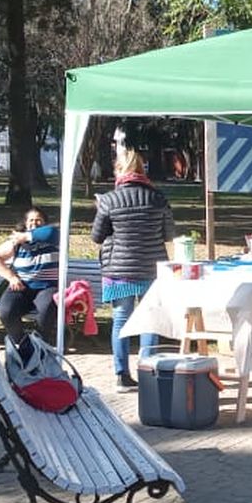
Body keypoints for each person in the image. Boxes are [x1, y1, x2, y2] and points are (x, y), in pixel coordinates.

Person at [91, 149, 173, 389]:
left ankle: (121, 375)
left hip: (119, 269)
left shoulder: (108, 200)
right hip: (151, 267)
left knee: (121, 319)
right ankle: (149, 373)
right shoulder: (158, 198)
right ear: (142, 170)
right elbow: (170, 234)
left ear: (119, 170)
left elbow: (97, 237)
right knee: (150, 320)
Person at [0, 206, 62, 349]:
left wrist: (25, 236)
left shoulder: (53, 237)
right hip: (22, 286)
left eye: (38, 220)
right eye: (31, 220)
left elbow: (52, 232)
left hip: (47, 287)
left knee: (47, 309)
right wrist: (11, 277)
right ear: (25, 223)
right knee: (6, 311)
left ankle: (41, 343)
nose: (34, 223)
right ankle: (23, 343)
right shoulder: (16, 242)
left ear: (45, 222)